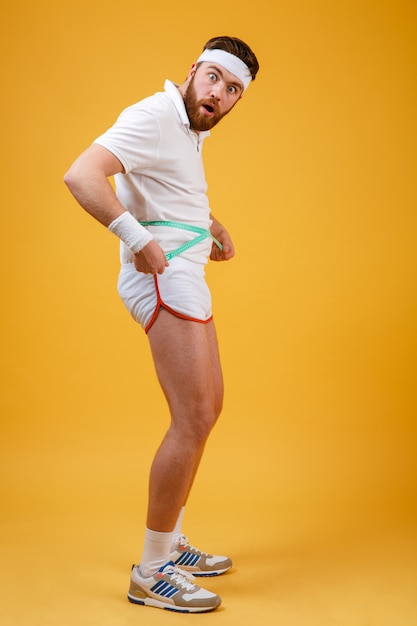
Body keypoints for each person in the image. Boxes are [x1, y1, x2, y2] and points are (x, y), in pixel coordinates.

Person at [64, 35, 259, 613]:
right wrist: (138, 239)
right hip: (162, 274)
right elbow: (82, 175)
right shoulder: (153, 115)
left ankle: (170, 543)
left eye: (233, 91)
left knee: (210, 406)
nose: (220, 95)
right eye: (215, 80)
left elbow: (161, 188)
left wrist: (211, 223)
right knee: (193, 415)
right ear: (194, 69)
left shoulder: (187, 128)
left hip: (186, 269)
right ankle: (151, 571)